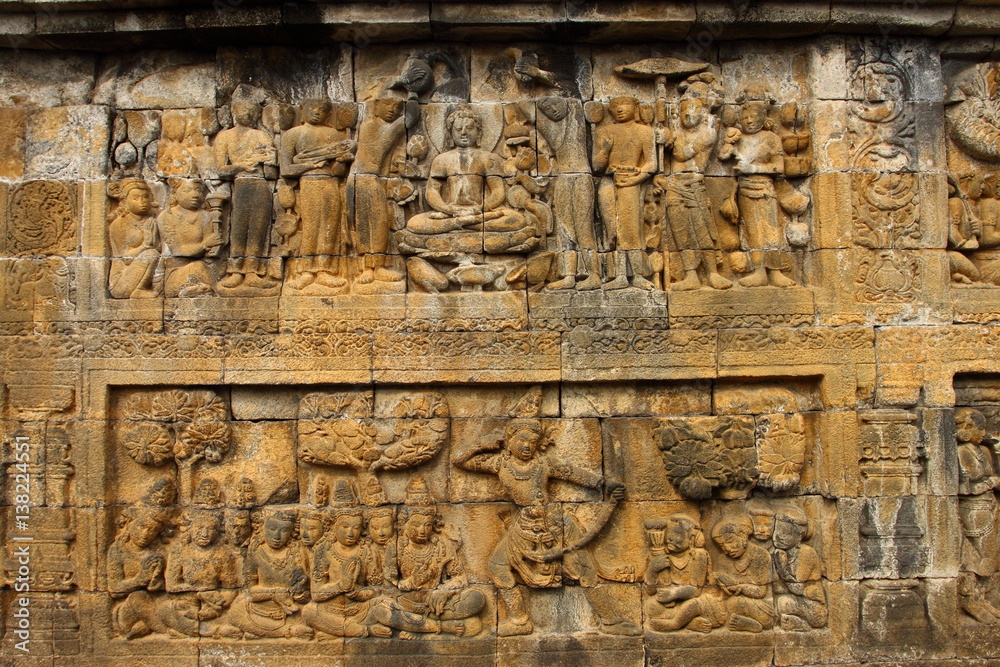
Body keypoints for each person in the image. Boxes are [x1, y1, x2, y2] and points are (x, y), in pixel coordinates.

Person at [454, 416, 635, 636]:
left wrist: (604, 484)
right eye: (521, 440)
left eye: (532, 441)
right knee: (497, 567)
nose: (527, 446)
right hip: (524, 526)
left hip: (554, 524)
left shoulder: (543, 464)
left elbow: (572, 473)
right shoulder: (499, 464)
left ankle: (611, 620)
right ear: (509, 441)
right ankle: (520, 620)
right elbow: (459, 460)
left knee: (585, 569)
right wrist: (483, 444)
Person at [369, 477, 486, 638]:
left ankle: (416, 627)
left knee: (476, 598)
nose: (422, 530)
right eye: (416, 524)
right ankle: (441, 628)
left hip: (437, 606)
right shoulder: (396, 547)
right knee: (380, 610)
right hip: (406, 604)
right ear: (405, 524)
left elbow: (460, 577)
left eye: (427, 524)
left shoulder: (441, 545)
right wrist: (410, 583)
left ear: (434, 524)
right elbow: (388, 586)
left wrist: (443, 592)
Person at [719, 84, 797, 288]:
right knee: (752, 232)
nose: (749, 121)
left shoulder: (771, 138)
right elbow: (723, 156)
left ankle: (776, 271)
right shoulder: (740, 138)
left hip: (765, 189)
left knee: (771, 231)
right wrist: (727, 143)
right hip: (745, 190)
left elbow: (779, 167)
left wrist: (752, 168)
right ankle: (759, 271)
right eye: (745, 118)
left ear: (763, 118)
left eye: (754, 117)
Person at [663, 76, 732, 291]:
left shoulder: (707, 133)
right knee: (680, 231)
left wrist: (671, 136)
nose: (688, 113)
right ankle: (691, 275)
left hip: (694, 185)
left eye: (693, 108)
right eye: (683, 108)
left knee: (703, 230)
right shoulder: (677, 131)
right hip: (674, 185)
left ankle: (712, 273)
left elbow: (682, 154)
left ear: (703, 112)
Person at [280, 99, 356, 291]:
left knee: (330, 227)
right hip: (309, 183)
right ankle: (306, 272)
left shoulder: (332, 134)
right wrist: (312, 165)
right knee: (311, 227)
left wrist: (341, 161)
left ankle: (324, 270)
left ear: (328, 114)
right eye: (312, 108)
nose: (317, 112)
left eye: (322, 110)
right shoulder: (293, 134)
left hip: (330, 183)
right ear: (302, 111)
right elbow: (287, 168)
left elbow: (338, 171)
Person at [592, 96, 657, 290]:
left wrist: (635, 179)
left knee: (631, 230)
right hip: (608, 183)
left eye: (625, 105)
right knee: (613, 230)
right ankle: (619, 275)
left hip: (631, 183)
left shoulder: (645, 131)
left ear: (635, 107)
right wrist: (605, 150)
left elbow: (652, 163)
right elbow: (597, 166)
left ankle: (637, 275)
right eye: (614, 106)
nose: (620, 109)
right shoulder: (605, 131)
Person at [214, 101, 278, 291]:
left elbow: (271, 170)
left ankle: (253, 270)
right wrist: (242, 165)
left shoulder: (261, 135)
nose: (248, 113)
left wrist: (269, 159)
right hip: (241, 183)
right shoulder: (225, 137)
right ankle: (235, 271)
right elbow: (220, 169)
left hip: (260, 184)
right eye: (244, 109)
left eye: (252, 111)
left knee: (258, 227)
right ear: (234, 111)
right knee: (239, 228)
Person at [644, 514, 725, 632]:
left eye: (677, 535)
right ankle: (689, 622)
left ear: (691, 540)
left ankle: (675, 624)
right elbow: (650, 591)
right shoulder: (660, 556)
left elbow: (696, 590)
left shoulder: (699, 555)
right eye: (669, 533)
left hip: (694, 601)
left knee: (694, 604)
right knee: (651, 606)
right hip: (673, 604)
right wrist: (652, 570)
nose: (670, 538)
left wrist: (673, 594)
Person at [956, 408, 1000, 623]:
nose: (983, 432)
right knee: (976, 555)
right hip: (973, 510)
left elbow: (991, 476)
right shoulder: (962, 451)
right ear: (967, 428)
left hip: (989, 506)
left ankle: (980, 597)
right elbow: (963, 488)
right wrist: (989, 483)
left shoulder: (984, 451)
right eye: (979, 427)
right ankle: (968, 599)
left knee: (991, 555)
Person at [156, 178, 223, 297]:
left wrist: (216, 244)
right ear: (175, 194)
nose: (195, 195)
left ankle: (201, 289)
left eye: (198, 191)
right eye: (187, 191)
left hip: (207, 266)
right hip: (177, 269)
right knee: (198, 267)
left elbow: (210, 252)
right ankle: (200, 289)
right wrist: (205, 245)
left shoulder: (206, 216)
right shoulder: (167, 216)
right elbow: (178, 250)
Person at [711, 515, 775, 632]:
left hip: (756, 604)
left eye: (730, 541)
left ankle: (752, 624)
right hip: (729, 602)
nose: (727, 549)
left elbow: (761, 592)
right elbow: (720, 592)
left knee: (765, 616)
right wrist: (721, 582)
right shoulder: (722, 559)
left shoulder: (760, 554)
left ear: (742, 536)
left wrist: (740, 588)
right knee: (712, 605)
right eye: (721, 545)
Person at [771, 509, 827, 631]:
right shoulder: (778, 553)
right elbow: (775, 587)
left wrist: (782, 570)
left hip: (814, 608)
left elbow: (797, 588)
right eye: (776, 530)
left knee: (782, 603)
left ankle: (802, 624)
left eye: (785, 533)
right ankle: (793, 621)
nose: (778, 536)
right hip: (792, 601)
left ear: (799, 536)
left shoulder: (807, 553)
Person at [107, 179, 160, 298]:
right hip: (122, 283)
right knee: (151, 253)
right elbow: (126, 258)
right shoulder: (119, 224)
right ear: (125, 201)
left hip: (146, 270)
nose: (142, 202)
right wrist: (145, 245)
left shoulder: (151, 221)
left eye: (145, 197)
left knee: (154, 253)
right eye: (135, 198)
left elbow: (160, 248)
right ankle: (138, 290)